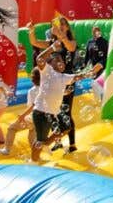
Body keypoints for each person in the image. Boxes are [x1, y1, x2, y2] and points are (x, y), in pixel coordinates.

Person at [30, 50, 102, 162]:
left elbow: (79, 76)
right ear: (49, 64)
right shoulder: (46, 71)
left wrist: (92, 71)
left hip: (52, 112)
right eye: (57, 60)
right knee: (40, 139)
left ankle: (45, 144)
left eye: (62, 60)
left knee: (66, 127)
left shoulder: (64, 77)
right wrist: (52, 47)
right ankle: (34, 161)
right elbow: (40, 58)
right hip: (41, 111)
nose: (61, 62)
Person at [28, 17, 78, 153]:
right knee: (52, 111)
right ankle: (58, 142)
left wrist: (60, 35)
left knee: (66, 112)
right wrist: (31, 31)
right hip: (51, 81)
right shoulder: (52, 43)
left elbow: (70, 47)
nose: (60, 26)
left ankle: (72, 144)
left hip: (66, 80)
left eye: (63, 24)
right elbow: (34, 42)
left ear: (67, 27)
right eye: (56, 25)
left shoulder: (70, 42)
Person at [0, 68, 41, 155]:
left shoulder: (32, 91)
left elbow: (32, 106)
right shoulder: (45, 90)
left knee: (12, 128)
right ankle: (35, 155)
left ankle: (7, 149)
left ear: (32, 79)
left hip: (33, 117)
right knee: (32, 136)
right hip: (40, 118)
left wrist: (23, 116)